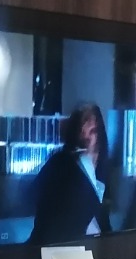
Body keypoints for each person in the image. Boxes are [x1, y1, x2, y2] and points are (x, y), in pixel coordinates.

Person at [28, 103, 112, 245]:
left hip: (89, 249)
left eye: (93, 129)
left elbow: (103, 221)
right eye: (84, 121)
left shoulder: (102, 169)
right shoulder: (60, 162)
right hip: (53, 247)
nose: (88, 128)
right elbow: (33, 197)